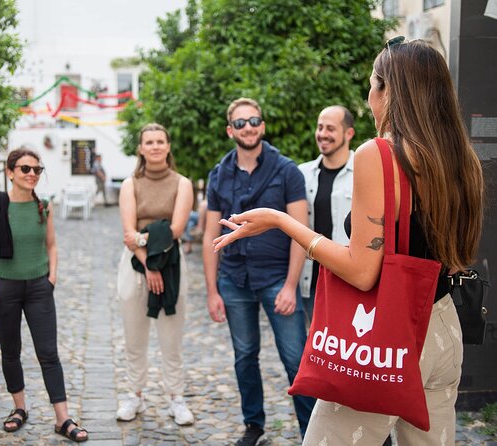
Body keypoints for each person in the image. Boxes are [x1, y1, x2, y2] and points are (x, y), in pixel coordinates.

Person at [212, 39, 484, 444]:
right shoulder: (460, 157)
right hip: (444, 329)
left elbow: (361, 271)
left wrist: (282, 221)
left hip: (388, 335)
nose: (369, 98)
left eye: (372, 87)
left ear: (389, 91)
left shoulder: (378, 154)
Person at [202, 97, 316, 445]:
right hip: (234, 280)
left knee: (297, 359)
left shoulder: (287, 171)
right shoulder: (218, 175)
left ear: (262, 126)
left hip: (277, 279)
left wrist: (290, 285)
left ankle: (311, 431)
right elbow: (210, 234)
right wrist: (212, 291)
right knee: (245, 357)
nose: (248, 127)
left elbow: (301, 231)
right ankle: (254, 425)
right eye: (240, 123)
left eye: (254, 121)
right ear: (229, 130)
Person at [0, 148, 88, 442]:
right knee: (10, 351)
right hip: (4, 288)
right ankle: (19, 408)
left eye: (37, 169)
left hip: (39, 287)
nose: (32, 174)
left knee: (49, 353)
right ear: (10, 172)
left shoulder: (44, 206)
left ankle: (62, 418)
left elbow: (51, 244)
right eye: (25, 169)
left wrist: (52, 277)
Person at [116, 123, 195, 425]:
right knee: (135, 335)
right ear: (141, 148)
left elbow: (175, 230)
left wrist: (143, 242)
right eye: (149, 142)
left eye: (160, 141)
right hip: (134, 266)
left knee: (170, 336)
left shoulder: (182, 184)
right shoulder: (130, 184)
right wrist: (146, 260)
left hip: (171, 265)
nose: (155, 146)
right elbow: (127, 233)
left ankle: (176, 397)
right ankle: (134, 394)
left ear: (168, 146)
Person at [298, 105, 355, 321]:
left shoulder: (364, 172)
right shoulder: (302, 173)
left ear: (348, 133)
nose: (322, 134)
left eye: (330, 128)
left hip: (346, 281)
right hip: (310, 282)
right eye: (320, 127)